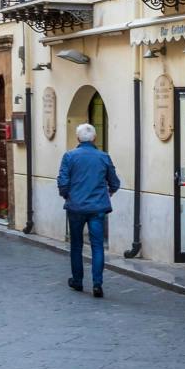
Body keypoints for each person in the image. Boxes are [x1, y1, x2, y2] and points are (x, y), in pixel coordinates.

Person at [57, 122, 120, 297]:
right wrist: (110, 191)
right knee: (97, 246)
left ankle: (77, 281)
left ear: (78, 138)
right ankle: (97, 283)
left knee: (76, 245)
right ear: (95, 138)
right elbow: (114, 181)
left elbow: (63, 181)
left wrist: (66, 195)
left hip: (76, 207)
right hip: (97, 207)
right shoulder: (103, 157)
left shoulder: (69, 156)